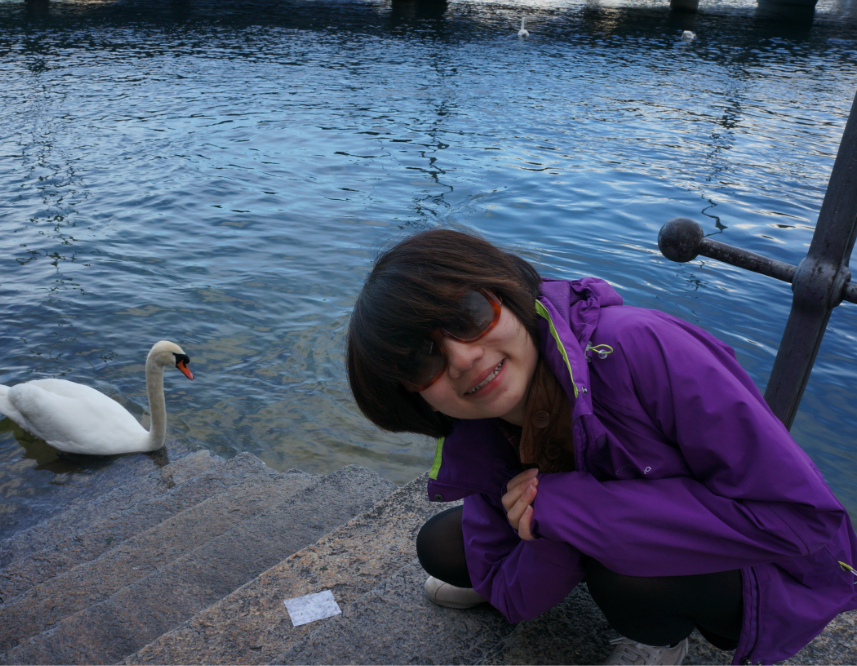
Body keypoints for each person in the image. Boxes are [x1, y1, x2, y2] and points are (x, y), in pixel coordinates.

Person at [345, 229, 857, 665]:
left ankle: (661, 638)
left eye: (469, 315)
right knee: (441, 546)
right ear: (410, 395)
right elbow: (515, 596)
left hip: (760, 569)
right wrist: (549, 529)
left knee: (624, 576)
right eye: (422, 360)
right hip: (617, 522)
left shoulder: (644, 347)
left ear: (509, 292)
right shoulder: (475, 422)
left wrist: (572, 507)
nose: (462, 359)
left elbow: (801, 521)